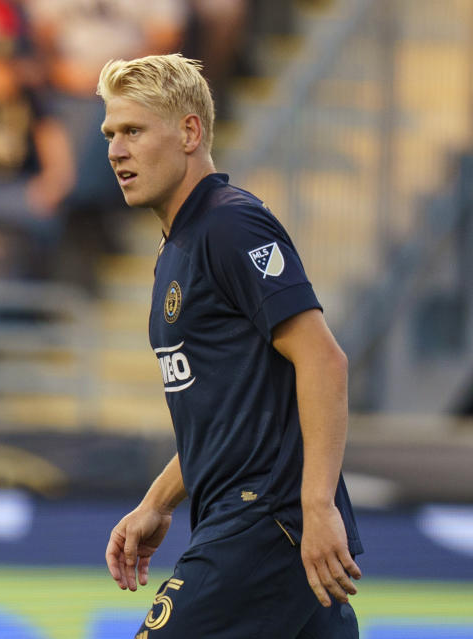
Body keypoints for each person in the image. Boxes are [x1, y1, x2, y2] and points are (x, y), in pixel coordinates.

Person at [98, 54, 363, 638]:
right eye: (111, 134)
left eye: (134, 131)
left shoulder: (229, 225)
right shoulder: (180, 244)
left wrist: (316, 506)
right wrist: (159, 501)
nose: (116, 151)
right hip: (256, 524)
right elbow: (229, 413)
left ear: (190, 132)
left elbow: (323, 360)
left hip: (266, 521)